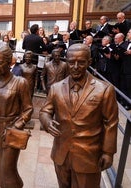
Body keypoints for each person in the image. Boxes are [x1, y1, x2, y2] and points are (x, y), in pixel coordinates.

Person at [39, 43, 118, 188]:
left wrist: (108, 152)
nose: (75, 66)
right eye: (71, 62)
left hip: (88, 155)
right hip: (61, 153)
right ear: (66, 61)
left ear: (89, 62)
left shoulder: (104, 89)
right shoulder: (56, 88)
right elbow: (45, 111)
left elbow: (110, 122)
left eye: (81, 62)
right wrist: (47, 121)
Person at [0, 41, 33, 188]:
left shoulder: (20, 82)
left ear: (9, 62)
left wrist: (17, 125)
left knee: (8, 170)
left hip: (11, 129)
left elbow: (28, 109)